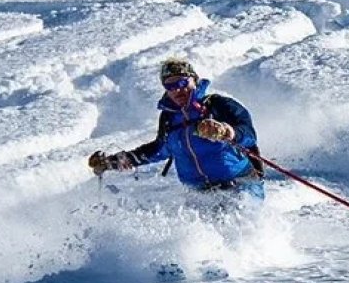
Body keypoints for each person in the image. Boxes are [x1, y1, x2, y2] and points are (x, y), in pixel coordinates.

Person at [88, 59, 265, 199]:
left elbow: (249, 135)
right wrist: (113, 162)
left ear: (194, 80)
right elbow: (159, 149)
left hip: (241, 187)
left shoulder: (218, 105)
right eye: (170, 86)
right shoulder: (169, 118)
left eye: (182, 83)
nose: (177, 90)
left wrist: (227, 131)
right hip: (201, 196)